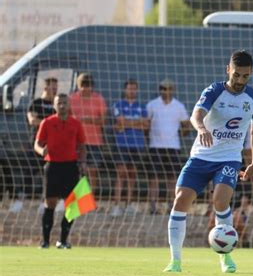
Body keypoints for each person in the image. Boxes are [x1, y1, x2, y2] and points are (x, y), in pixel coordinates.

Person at [163, 50, 253, 273]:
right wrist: (201, 129)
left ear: (251, 74)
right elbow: (196, 115)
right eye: (236, 74)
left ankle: (225, 259)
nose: (239, 80)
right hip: (201, 156)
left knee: (220, 201)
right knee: (180, 200)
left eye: (245, 76)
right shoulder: (214, 91)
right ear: (228, 70)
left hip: (229, 159)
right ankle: (175, 261)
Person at [34, 94, 86, 249]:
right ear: (54, 106)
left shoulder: (76, 124)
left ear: (69, 105)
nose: (62, 106)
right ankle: (45, 241)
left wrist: (83, 162)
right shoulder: (47, 122)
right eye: (59, 103)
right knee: (50, 202)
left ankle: (63, 240)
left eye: (64, 103)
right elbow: (37, 143)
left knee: (72, 205)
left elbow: (82, 146)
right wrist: (41, 151)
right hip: (53, 166)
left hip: (70, 166)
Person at [146, 79, 191, 215]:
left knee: (172, 178)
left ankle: (172, 205)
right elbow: (145, 125)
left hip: (173, 147)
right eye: (164, 89)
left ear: (173, 90)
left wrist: (180, 134)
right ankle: (153, 207)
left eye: (169, 88)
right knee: (154, 178)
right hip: (155, 146)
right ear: (160, 90)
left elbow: (186, 125)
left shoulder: (179, 106)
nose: (166, 91)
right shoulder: (152, 105)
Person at [111, 79, 149, 217]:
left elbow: (146, 126)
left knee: (132, 174)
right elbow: (119, 122)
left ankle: (129, 205)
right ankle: (116, 205)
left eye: (134, 88)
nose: (132, 91)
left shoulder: (142, 106)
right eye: (129, 88)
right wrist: (137, 123)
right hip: (122, 144)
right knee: (121, 174)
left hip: (137, 144)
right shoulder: (118, 104)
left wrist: (127, 124)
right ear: (125, 90)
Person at [70, 73, 107, 192]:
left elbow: (103, 121)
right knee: (75, 171)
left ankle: (89, 201)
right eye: (83, 85)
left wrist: (86, 119)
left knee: (92, 171)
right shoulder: (72, 99)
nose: (85, 89)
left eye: (88, 85)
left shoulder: (99, 99)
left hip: (94, 142)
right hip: (75, 142)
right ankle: (72, 201)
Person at [27, 77, 58, 143]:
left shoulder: (56, 104)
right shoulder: (36, 103)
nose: (55, 91)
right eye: (53, 89)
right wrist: (50, 125)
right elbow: (33, 120)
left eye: (56, 89)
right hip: (38, 140)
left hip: (53, 139)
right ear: (45, 88)